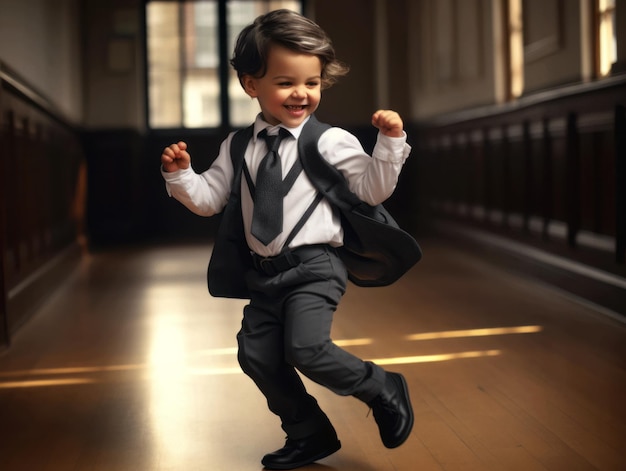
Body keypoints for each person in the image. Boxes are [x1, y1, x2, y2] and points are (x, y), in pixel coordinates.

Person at [161, 9, 415, 470]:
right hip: (265, 275)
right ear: (250, 84)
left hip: (316, 267)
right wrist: (181, 177)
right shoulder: (239, 146)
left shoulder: (331, 141)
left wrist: (389, 144)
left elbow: (371, 190)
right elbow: (209, 199)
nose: (301, 94)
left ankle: (381, 386)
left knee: (305, 348)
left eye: (312, 83)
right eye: (285, 82)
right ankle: (308, 432)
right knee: (255, 353)